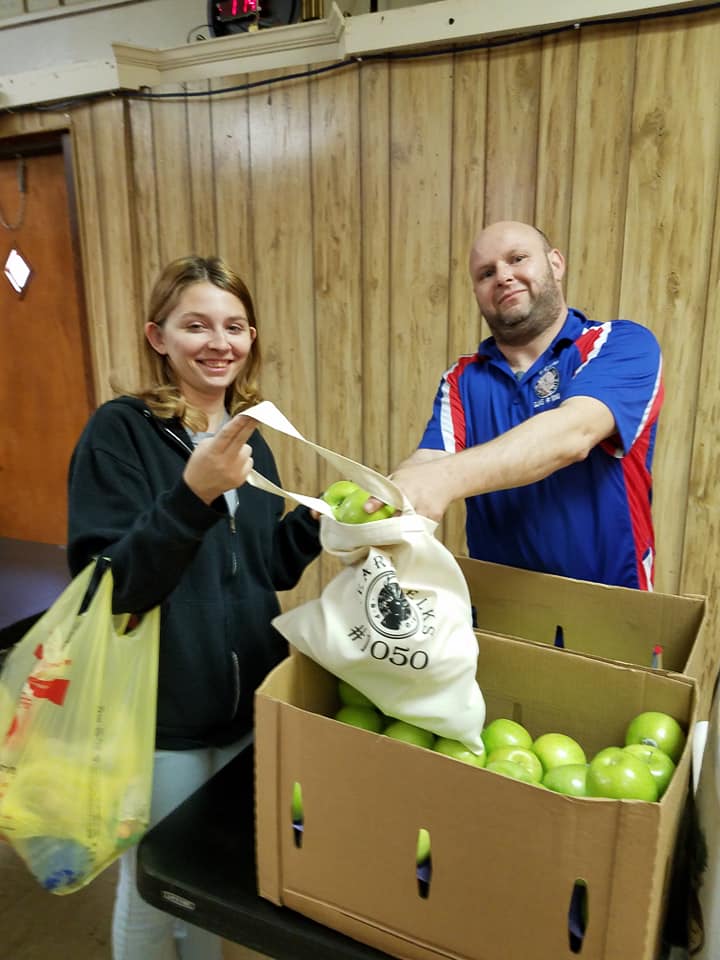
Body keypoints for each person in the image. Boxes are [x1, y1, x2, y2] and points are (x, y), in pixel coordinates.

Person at [67, 256, 321, 960]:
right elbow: (105, 585)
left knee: (211, 886)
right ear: (158, 336)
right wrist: (192, 495)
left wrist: (330, 526)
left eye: (234, 326)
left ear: (252, 337)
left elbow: (265, 568)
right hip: (161, 717)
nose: (219, 343)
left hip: (244, 712)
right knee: (155, 893)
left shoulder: (252, 438)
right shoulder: (119, 432)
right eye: (196, 325)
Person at [377, 220, 663, 590]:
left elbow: (574, 433)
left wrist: (442, 479)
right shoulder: (462, 379)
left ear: (555, 264)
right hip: (499, 606)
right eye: (486, 273)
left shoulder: (619, 344)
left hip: (611, 599)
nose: (503, 277)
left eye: (517, 259)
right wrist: (386, 494)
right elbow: (431, 459)